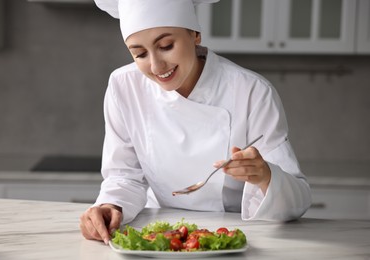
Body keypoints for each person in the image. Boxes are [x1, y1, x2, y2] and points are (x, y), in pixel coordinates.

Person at [80, 0, 312, 245]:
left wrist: (265, 176)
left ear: (195, 34)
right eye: (140, 54)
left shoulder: (251, 91)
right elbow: (124, 176)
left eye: (166, 46)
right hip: (160, 237)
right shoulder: (124, 86)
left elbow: (298, 201)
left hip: (231, 238)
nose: (156, 66)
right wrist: (110, 205)